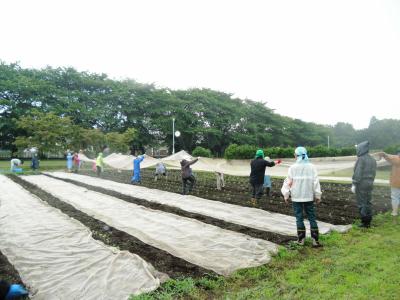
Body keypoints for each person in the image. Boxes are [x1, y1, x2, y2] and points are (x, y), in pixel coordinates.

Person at [281, 146, 322, 247]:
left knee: (299, 218)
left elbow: (288, 182)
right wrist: (317, 195)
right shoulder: (312, 167)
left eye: (294, 154)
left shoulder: (292, 168)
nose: (294, 156)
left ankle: (301, 240)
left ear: (297, 155)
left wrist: (286, 195)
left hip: (296, 197)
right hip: (308, 196)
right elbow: (315, 182)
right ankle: (315, 241)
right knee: (312, 217)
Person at [352, 141, 377, 228]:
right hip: (370, 183)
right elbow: (374, 173)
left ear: (361, 149)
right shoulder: (373, 159)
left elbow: (358, 173)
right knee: (368, 202)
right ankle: (368, 221)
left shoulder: (361, 159)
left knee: (362, 202)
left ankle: (364, 223)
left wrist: (354, 184)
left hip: (361, 183)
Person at [378, 150, 400, 216]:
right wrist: (386, 155)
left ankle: (395, 212)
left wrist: (385, 154)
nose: (397, 154)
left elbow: (393, 158)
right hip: (396, 182)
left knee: (395, 197)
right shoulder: (396, 159)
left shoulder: (397, 160)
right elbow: (392, 158)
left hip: (396, 182)